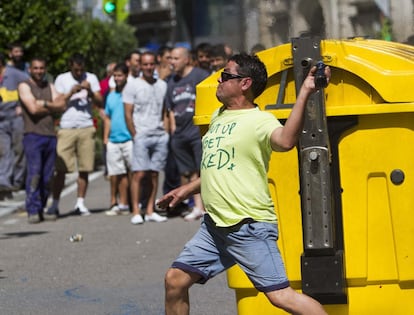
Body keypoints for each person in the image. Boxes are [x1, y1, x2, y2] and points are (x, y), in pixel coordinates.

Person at [157, 53, 330, 315]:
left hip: (247, 225)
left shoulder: (260, 121)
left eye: (226, 76)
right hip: (215, 227)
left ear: (245, 84)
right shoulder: (218, 116)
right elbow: (218, 166)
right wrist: (185, 190)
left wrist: (306, 91)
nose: (219, 80)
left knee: (281, 296)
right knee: (175, 280)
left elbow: (285, 141)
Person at [47, 53, 102, 217]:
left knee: (85, 167)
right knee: (61, 169)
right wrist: (71, 92)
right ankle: (55, 204)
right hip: (67, 127)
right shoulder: (62, 79)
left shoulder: (91, 78)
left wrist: (89, 90)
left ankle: (80, 203)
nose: (79, 73)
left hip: (86, 125)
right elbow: (57, 102)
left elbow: (100, 101)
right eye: (76, 70)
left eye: (81, 69)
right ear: (70, 66)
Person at [18, 57, 66, 223]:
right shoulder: (24, 86)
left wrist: (44, 103)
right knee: (35, 173)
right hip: (32, 135)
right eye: (36, 68)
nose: (39, 71)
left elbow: (62, 105)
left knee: (47, 176)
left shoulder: (49, 86)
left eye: (42, 68)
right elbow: (32, 108)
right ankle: (32, 208)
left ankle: (42, 207)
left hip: (50, 136)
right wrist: (51, 105)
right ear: (30, 69)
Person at [123, 51, 169, 224]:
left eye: (151, 64)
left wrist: (166, 131)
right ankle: (136, 210)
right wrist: (135, 134)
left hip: (159, 134)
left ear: (155, 65)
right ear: (140, 66)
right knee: (139, 174)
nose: (149, 67)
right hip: (142, 134)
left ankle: (150, 210)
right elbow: (127, 113)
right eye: (145, 64)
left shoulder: (162, 85)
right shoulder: (132, 85)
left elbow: (164, 110)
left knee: (154, 174)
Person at [165, 47, 210, 221]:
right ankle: (198, 207)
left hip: (196, 131)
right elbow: (170, 108)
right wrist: (172, 129)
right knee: (189, 172)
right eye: (170, 59)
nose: (172, 62)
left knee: (203, 170)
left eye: (175, 58)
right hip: (180, 133)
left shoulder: (200, 76)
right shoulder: (171, 82)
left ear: (186, 59)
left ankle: (207, 207)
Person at [103, 62, 132, 216]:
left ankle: (135, 202)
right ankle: (122, 203)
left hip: (129, 138)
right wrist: (105, 137)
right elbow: (107, 118)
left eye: (120, 75)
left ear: (126, 76)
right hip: (114, 140)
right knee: (117, 173)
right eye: (114, 76)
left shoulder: (131, 93)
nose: (117, 78)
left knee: (134, 172)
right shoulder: (111, 95)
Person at [0, 52, 29, 200]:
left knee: (19, 150)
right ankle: (4, 182)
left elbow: (30, 85)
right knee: (4, 151)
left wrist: (22, 106)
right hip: (1, 120)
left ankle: (18, 181)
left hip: (16, 117)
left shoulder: (15, 74)